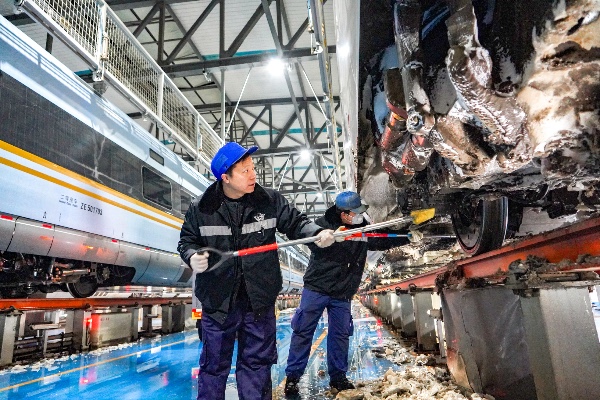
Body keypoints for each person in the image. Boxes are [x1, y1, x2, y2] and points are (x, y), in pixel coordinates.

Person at [178, 142, 335, 400]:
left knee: (257, 366)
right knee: (213, 367)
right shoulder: (202, 208)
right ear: (226, 177)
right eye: (245, 171)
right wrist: (192, 256)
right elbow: (186, 241)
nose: (253, 175)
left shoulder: (268, 201)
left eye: (253, 168)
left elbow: (296, 223)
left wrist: (317, 233)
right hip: (218, 302)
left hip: (258, 302)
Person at [284, 191, 410, 396]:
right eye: (356, 212)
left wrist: (406, 236)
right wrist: (330, 237)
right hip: (317, 289)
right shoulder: (322, 225)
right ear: (343, 214)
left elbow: (380, 240)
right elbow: (311, 241)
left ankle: (338, 378)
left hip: (342, 293)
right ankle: (293, 378)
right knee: (303, 331)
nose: (360, 216)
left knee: (340, 335)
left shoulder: (362, 228)